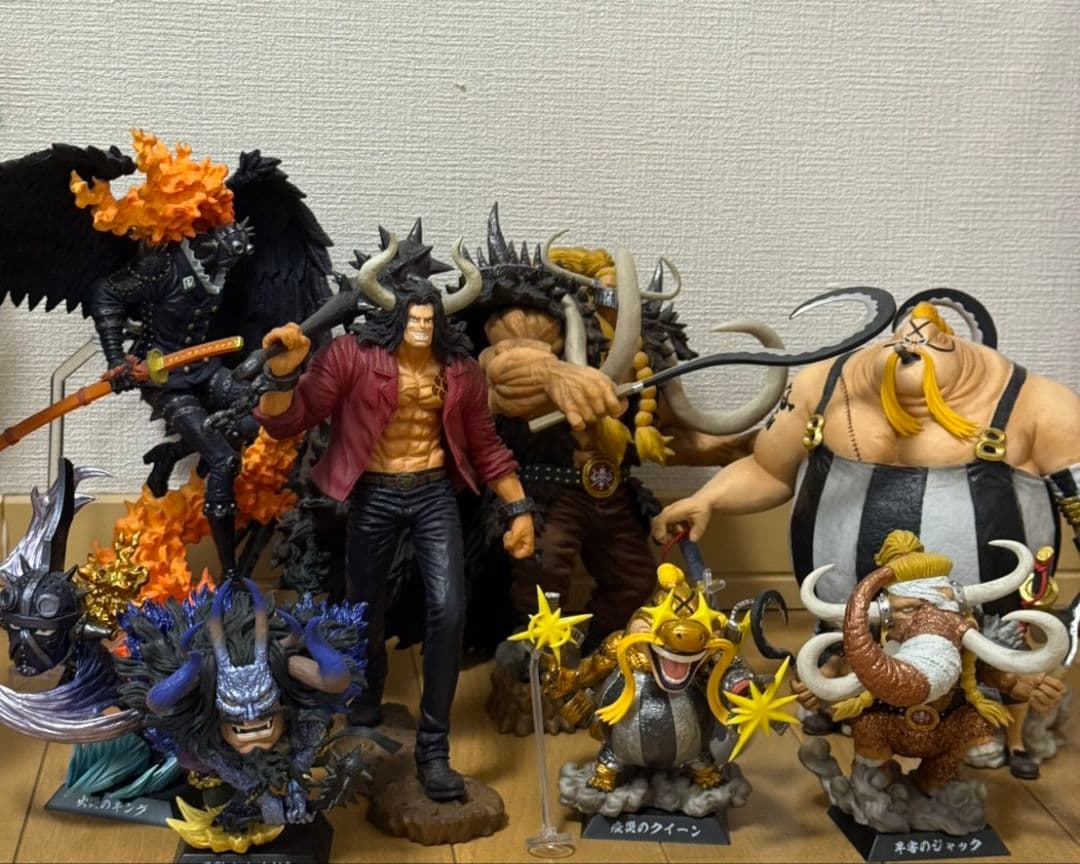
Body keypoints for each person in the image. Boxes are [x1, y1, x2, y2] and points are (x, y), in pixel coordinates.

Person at [652, 294, 1080, 772]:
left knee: (985, 687)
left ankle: (979, 721)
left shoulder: (1039, 404)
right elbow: (768, 469)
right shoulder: (822, 384)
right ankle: (849, 699)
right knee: (848, 689)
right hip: (848, 624)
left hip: (984, 635)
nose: (909, 353)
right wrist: (709, 498)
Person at [255, 233, 535, 801]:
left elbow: (487, 448)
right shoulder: (350, 357)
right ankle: (364, 707)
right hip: (375, 494)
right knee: (364, 607)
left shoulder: (461, 372)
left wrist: (519, 509)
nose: (423, 327)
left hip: (433, 495)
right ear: (397, 318)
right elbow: (288, 422)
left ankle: (434, 748)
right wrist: (282, 376)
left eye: (431, 319)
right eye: (415, 318)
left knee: (449, 610)